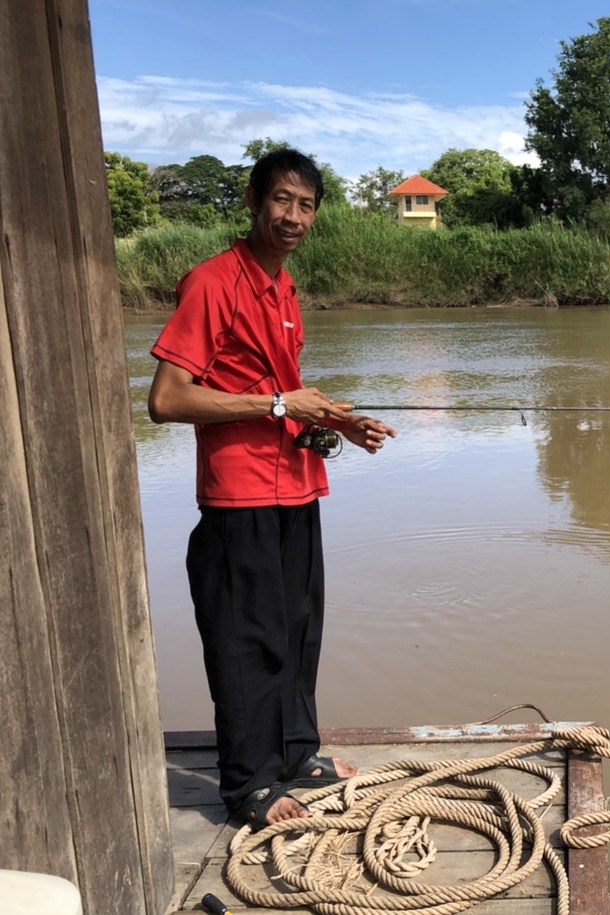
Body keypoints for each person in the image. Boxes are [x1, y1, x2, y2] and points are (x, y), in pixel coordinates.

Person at [147, 148, 397, 829]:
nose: (293, 216)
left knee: (297, 630)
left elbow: (289, 394)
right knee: (246, 640)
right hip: (240, 494)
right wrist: (280, 405)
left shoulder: (284, 291)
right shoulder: (212, 282)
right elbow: (168, 400)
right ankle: (248, 783)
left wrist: (342, 422)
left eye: (306, 205)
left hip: (296, 489)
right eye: (282, 200)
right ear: (256, 200)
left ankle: (295, 753)